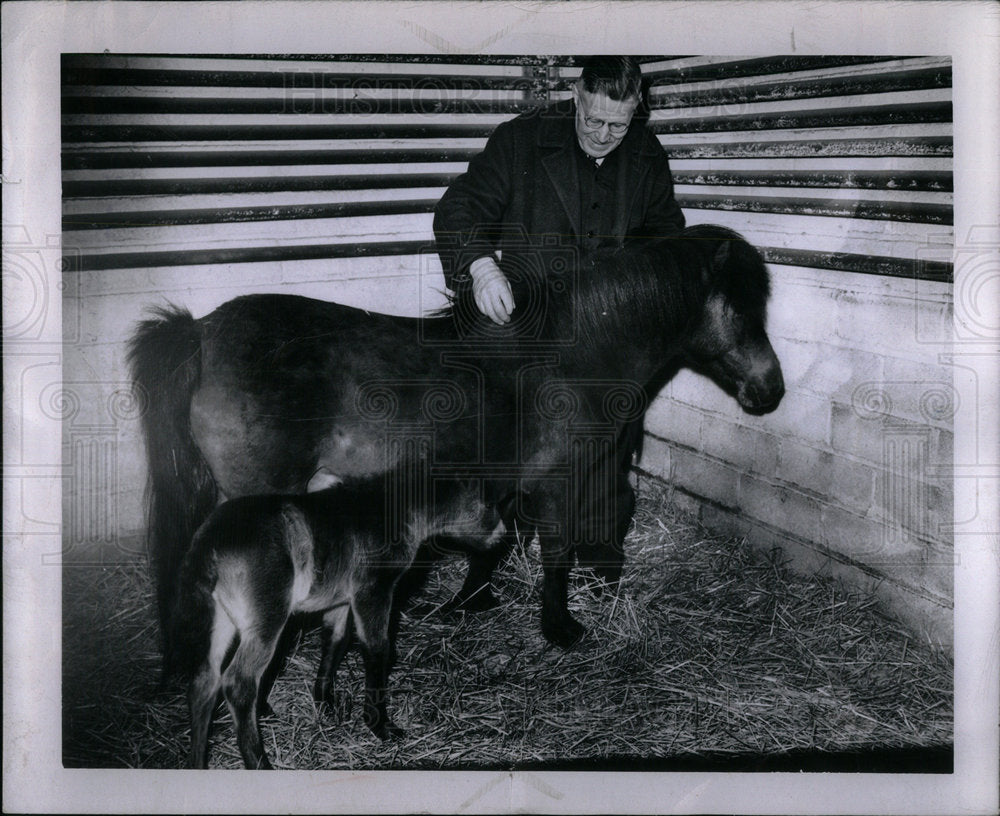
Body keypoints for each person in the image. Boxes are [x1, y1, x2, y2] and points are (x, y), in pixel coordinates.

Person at [433, 55, 686, 583]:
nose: (603, 134)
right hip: (527, 332)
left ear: (636, 110)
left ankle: (598, 574)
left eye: (619, 124)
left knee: (604, 461)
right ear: (576, 95)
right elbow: (458, 208)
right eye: (593, 119)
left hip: (607, 342)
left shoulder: (645, 154)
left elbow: (667, 245)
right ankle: (491, 570)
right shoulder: (520, 140)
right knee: (509, 456)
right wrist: (481, 269)